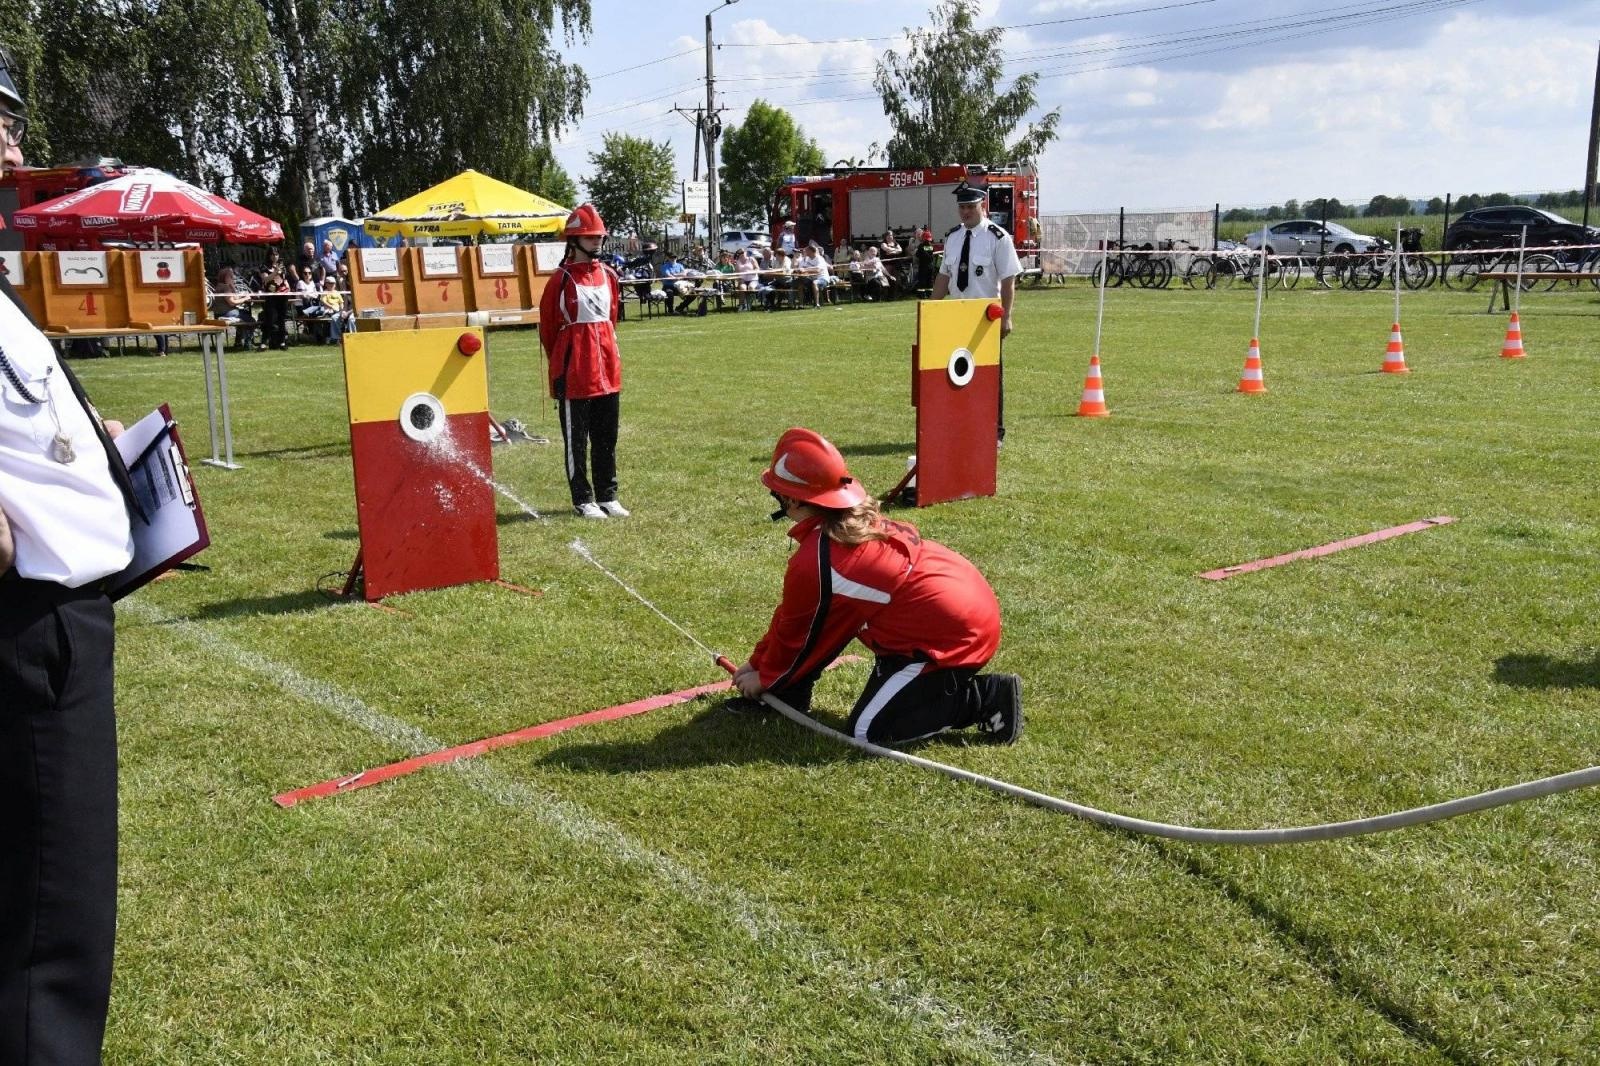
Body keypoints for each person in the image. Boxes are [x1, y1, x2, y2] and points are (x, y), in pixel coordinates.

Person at [0, 44, 140, 1065]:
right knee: (53, 938)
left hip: (50, 627)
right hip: (27, 634)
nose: (12, 141)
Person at [733, 428, 1022, 745]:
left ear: (791, 499)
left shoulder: (818, 560)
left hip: (952, 635)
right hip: (952, 610)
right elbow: (799, 617)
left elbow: (797, 635)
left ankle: (984, 698)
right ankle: (799, 688)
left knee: (869, 731)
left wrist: (765, 677)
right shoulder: (843, 530)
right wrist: (757, 664)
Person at [538, 203, 628, 519]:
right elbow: (548, 328)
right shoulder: (559, 280)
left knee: (607, 436)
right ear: (574, 241)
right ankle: (582, 499)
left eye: (599, 237)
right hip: (574, 372)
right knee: (577, 441)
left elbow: (612, 318)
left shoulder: (609, 275)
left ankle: (607, 495)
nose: (597, 243)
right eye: (591, 238)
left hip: (607, 368)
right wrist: (564, 361)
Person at [932, 182, 1021, 442]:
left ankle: (995, 432)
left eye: (970, 206)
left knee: (989, 376)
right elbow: (944, 276)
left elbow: (1008, 280)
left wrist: (1006, 316)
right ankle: (963, 426)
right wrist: (931, 310)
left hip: (985, 315)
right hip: (956, 315)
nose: (966, 212)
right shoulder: (953, 237)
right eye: (962, 207)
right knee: (957, 372)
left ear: (982, 205)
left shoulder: (998, 238)